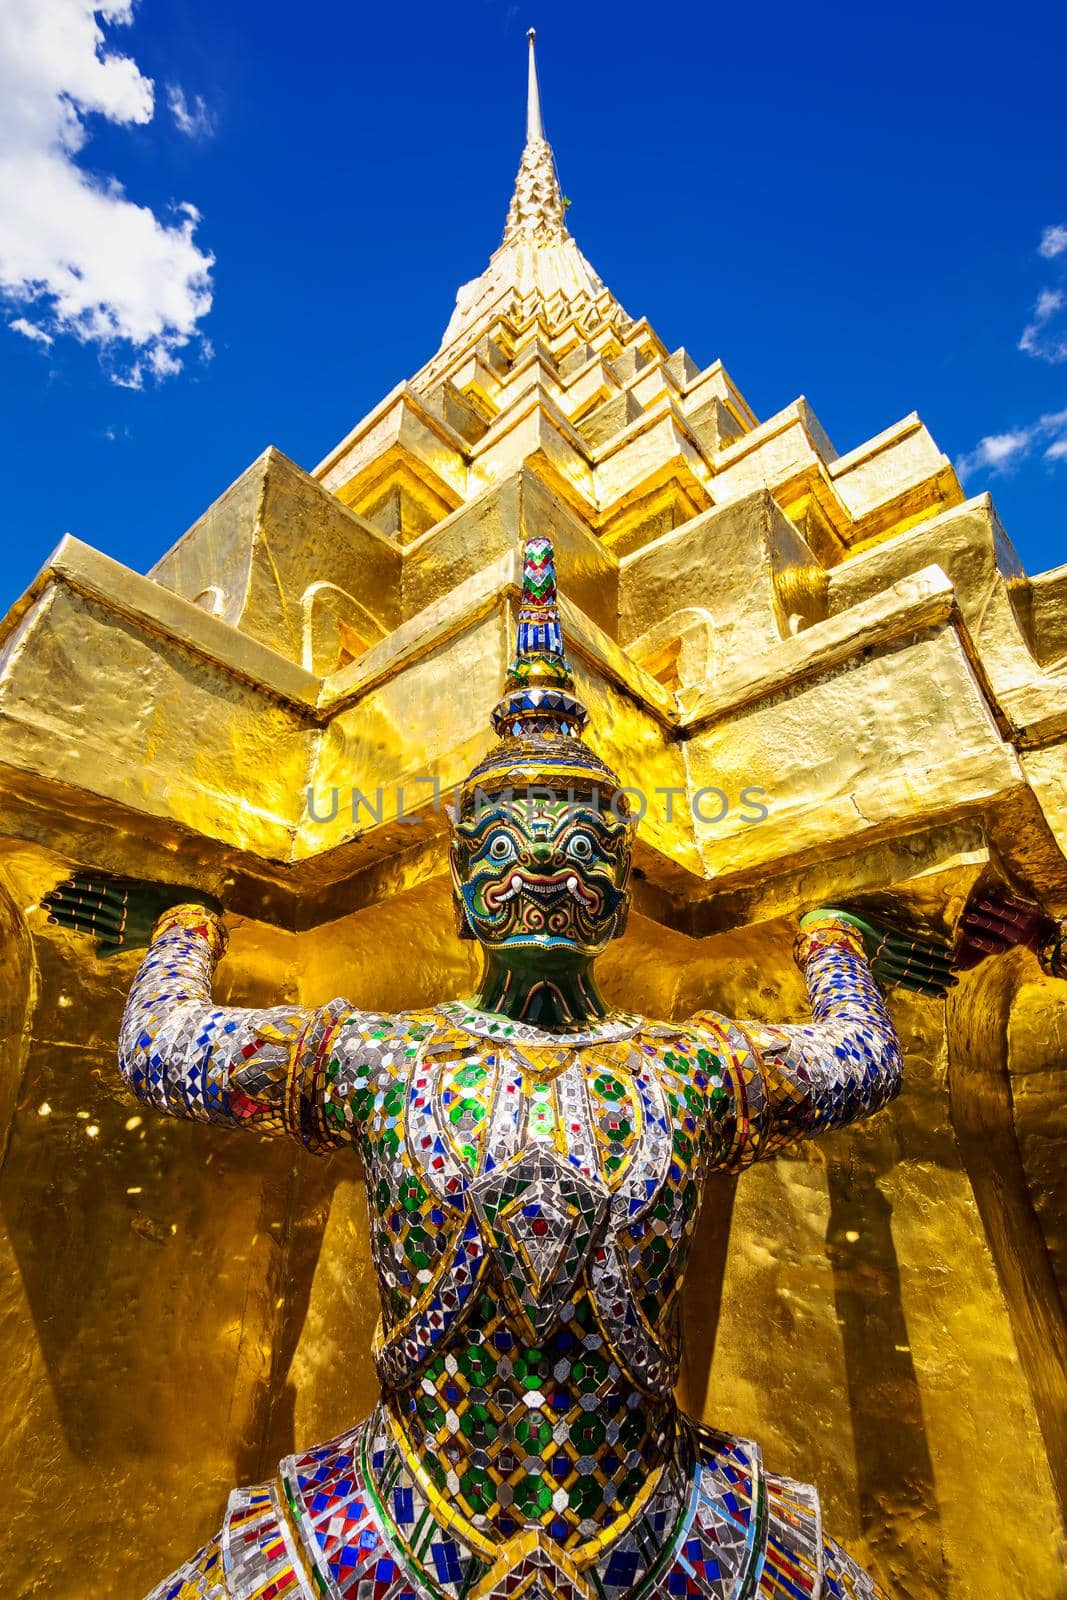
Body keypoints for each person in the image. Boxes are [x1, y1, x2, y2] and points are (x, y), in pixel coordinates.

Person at [44, 537, 1063, 1600]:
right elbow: (161, 1050)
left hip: (662, 1525)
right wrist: (181, 919)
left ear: (620, 897)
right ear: (461, 896)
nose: (539, 860)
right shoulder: (383, 1059)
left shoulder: (682, 1072)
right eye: (503, 847)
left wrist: (835, 932)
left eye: (579, 842)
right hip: (392, 1524)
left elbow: (859, 1062)